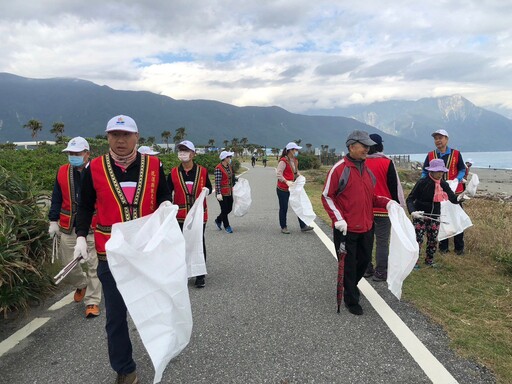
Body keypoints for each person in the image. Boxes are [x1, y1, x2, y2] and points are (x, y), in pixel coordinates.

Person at [74, 115, 172, 384]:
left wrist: (165, 206)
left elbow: (163, 194)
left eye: (125, 135)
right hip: (111, 254)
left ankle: (163, 347)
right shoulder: (94, 168)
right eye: (114, 135)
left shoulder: (154, 165)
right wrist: (81, 236)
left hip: (147, 252)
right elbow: (84, 207)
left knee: (156, 305)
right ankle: (125, 368)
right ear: (107, 137)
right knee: (116, 316)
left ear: (136, 137)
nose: (120, 140)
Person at [322, 131, 395, 315]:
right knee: (349, 265)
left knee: (363, 263)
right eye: (364, 145)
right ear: (352, 146)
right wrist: (338, 219)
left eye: (368, 146)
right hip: (346, 228)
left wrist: (387, 202)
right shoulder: (340, 169)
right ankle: (351, 299)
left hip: (366, 226)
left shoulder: (367, 170)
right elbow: (326, 196)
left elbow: (370, 197)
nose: (367, 149)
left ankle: (350, 286)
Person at [48, 136, 102, 318]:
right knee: (67, 264)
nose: (73, 156)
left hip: (93, 226)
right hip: (68, 225)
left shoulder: (98, 170)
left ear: (87, 154)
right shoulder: (62, 171)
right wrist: (53, 220)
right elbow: (56, 197)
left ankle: (92, 301)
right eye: (70, 153)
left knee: (95, 265)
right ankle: (81, 283)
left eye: (77, 153)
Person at [167, 140, 212, 288]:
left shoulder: (202, 171)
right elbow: (167, 193)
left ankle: (200, 275)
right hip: (180, 215)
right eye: (180, 150)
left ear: (193, 154)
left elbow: (209, 189)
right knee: (181, 244)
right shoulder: (173, 173)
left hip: (199, 215)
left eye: (186, 150)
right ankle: (183, 273)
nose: (183, 153)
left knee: (198, 242)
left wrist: (207, 191)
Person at [407, 159, 464, 267]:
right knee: (417, 240)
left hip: (436, 215)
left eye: (442, 171)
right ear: (431, 171)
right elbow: (410, 199)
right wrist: (412, 211)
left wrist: (461, 198)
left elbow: (453, 199)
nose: (440, 174)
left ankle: (429, 261)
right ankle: (413, 262)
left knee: (433, 240)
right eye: (438, 171)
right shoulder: (422, 182)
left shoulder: (443, 184)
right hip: (420, 215)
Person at [364, 134, 405, 282]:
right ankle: (380, 272)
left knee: (367, 240)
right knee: (382, 242)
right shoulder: (387, 162)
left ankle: (367, 268)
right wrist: (397, 205)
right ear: (380, 145)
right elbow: (394, 187)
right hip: (383, 208)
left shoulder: (362, 162)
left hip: (365, 208)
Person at [421, 129, 466, 255]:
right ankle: (443, 247)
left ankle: (459, 248)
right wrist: (424, 183)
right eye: (436, 138)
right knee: (441, 218)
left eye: (440, 138)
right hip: (437, 193)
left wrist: (456, 179)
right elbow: (425, 172)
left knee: (457, 218)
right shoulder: (431, 155)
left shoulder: (456, 154)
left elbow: (462, 169)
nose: (438, 140)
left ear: (447, 139)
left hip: (455, 192)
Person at [276, 142, 314, 234]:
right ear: (290, 150)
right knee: (284, 208)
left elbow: (295, 173)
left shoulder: (295, 161)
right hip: (283, 189)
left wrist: (301, 177)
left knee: (299, 205)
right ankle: (283, 227)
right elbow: (279, 174)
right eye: (295, 149)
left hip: (293, 188)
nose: (297, 151)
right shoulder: (283, 161)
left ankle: (303, 226)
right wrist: (286, 181)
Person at [215, 151, 236, 233]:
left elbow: (231, 177)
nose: (230, 158)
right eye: (229, 157)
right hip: (222, 193)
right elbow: (217, 182)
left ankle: (218, 219)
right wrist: (218, 193)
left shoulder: (229, 166)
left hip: (229, 191)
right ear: (225, 158)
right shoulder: (218, 168)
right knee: (224, 209)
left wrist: (235, 180)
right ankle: (227, 226)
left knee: (229, 208)